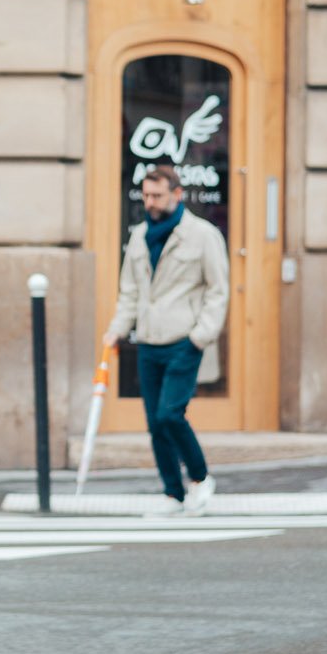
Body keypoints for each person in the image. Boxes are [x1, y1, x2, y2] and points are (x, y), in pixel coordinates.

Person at [103, 162, 229, 516]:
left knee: (171, 414)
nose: (150, 202)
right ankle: (173, 494)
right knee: (155, 424)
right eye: (146, 195)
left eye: (157, 195)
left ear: (176, 194)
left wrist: (200, 335)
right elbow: (129, 290)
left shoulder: (203, 235)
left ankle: (201, 479)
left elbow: (218, 291)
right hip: (148, 341)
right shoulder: (141, 235)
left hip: (183, 341)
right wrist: (117, 328)